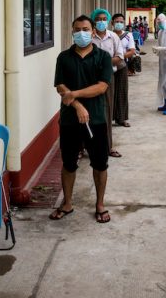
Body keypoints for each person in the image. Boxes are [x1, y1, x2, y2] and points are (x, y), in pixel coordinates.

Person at [50, 15, 113, 223]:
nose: (81, 33)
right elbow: (60, 86)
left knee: (100, 163)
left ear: (93, 31)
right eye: (77, 29)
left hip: (95, 119)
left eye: (85, 29)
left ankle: (100, 204)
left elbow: (102, 86)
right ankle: (67, 203)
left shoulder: (102, 56)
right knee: (69, 163)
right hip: (69, 120)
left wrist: (74, 95)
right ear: (72, 31)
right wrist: (76, 105)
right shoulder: (63, 57)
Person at [91, 8, 125, 158]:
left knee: (107, 112)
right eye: (98, 19)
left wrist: (102, 63)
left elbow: (119, 57)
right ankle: (85, 147)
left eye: (104, 19)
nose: (101, 21)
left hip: (108, 77)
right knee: (90, 112)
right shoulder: (89, 37)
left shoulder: (113, 37)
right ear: (94, 21)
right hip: (90, 79)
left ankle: (108, 146)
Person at [112, 13, 135, 126]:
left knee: (121, 91)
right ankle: (109, 117)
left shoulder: (128, 35)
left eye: (121, 22)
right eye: (117, 21)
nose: (119, 24)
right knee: (109, 91)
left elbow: (131, 51)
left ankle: (121, 118)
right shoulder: (109, 35)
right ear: (112, 23)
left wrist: (119, 57)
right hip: (108, 66)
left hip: (121, 66)